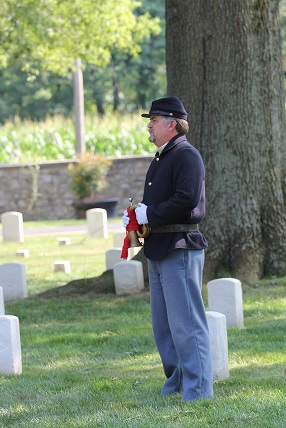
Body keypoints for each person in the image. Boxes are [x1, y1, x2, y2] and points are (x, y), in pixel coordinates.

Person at [122, 96, 213, 401]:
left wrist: (152, 213)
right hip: (160, 247)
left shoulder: (186, 154)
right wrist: (138, 213)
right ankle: (176, 383)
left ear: (171, 124)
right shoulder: (163, 156)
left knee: (187, 323)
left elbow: (187, 199)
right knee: (165, 327)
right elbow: (163, 201)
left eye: (155, 120)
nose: (150, 124)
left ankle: (198, 391)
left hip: (180, 247)